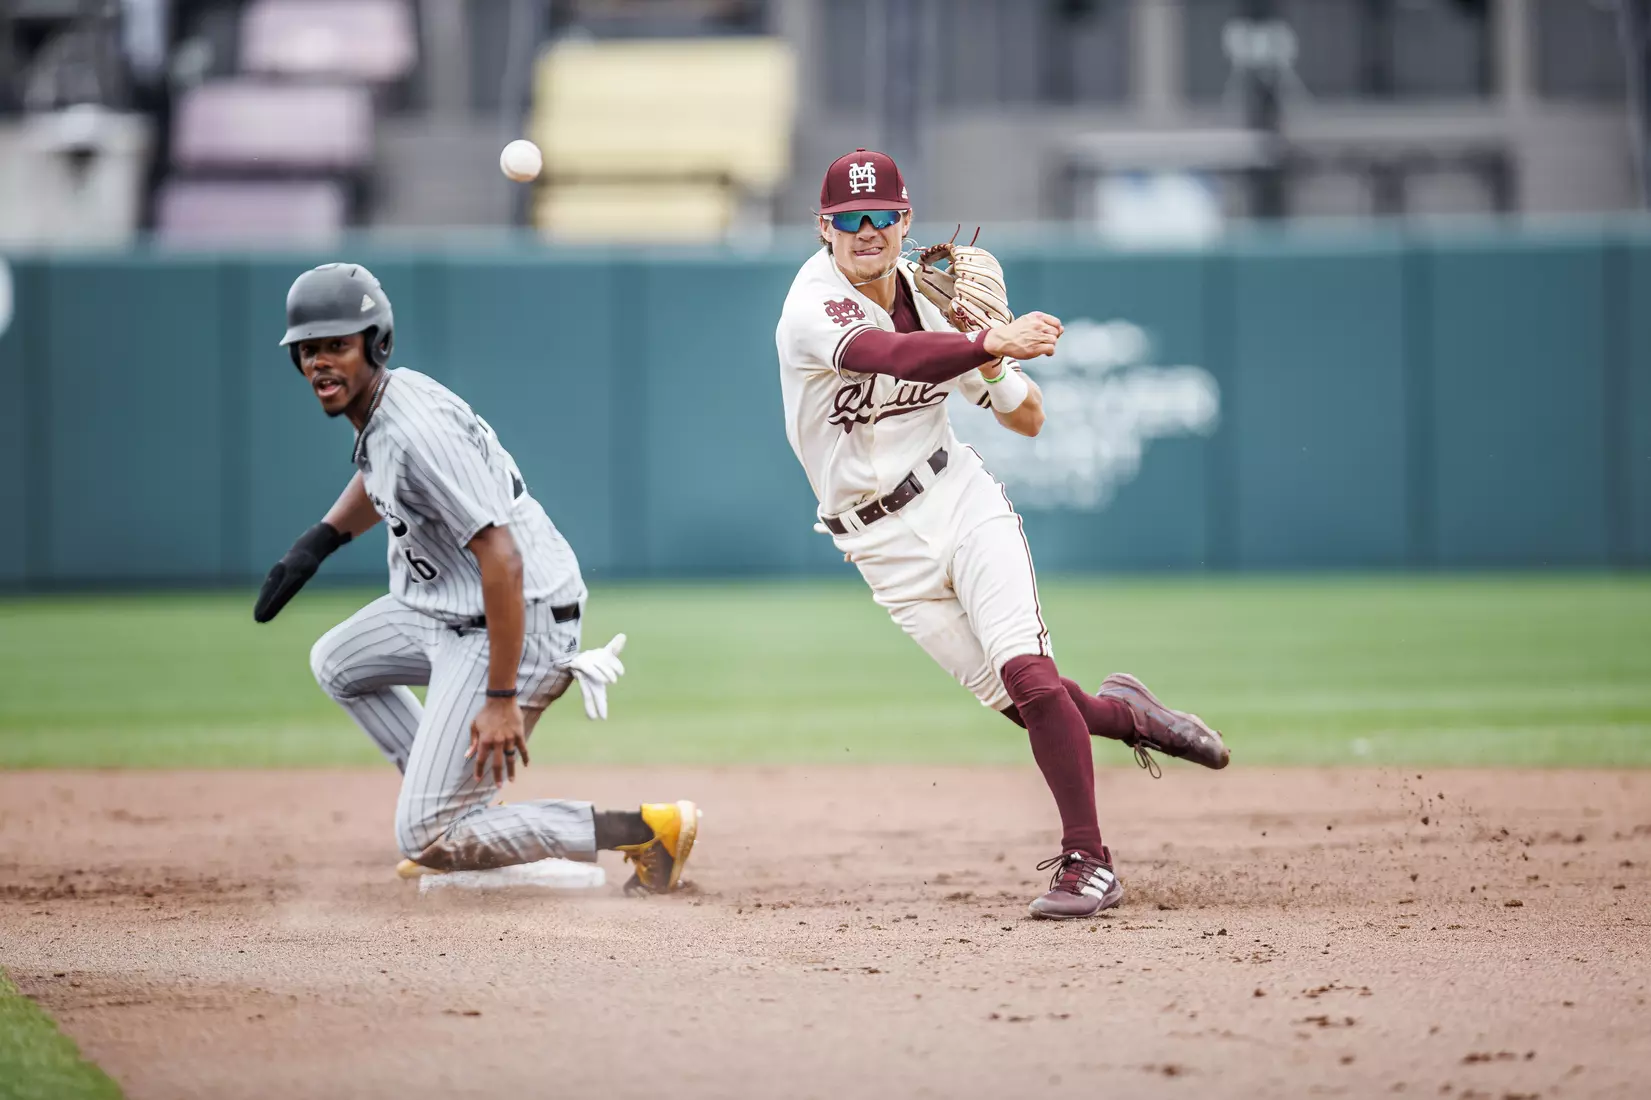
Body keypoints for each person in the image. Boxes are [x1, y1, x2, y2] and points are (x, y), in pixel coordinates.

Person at [774, 150, 1229, 920]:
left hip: (959, 499)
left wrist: (985, 351)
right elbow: (879, 353)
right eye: (848, 219)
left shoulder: (942, 311)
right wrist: (988, 343)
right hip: (879, 547)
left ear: (904, 221)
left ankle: (1089, 862)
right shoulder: (812, 306)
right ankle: (1129, 715)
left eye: (880, 215)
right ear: (824, 228)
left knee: (1028, 672)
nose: (865, 231)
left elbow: (1028, 417)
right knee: (1027, 705)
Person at [254, 262, 698, 893]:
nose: (320, 363)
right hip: (446, 610)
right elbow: (381, 475)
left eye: (337, 346)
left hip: (518, 616)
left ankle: (640, 829)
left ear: (375, 345)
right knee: (338, 662)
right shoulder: (388, 408)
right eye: (308, 350)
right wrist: (318, 541)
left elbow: (502, 557)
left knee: (425, 838)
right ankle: (463, 819)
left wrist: (500, 699)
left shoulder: (414, 430)